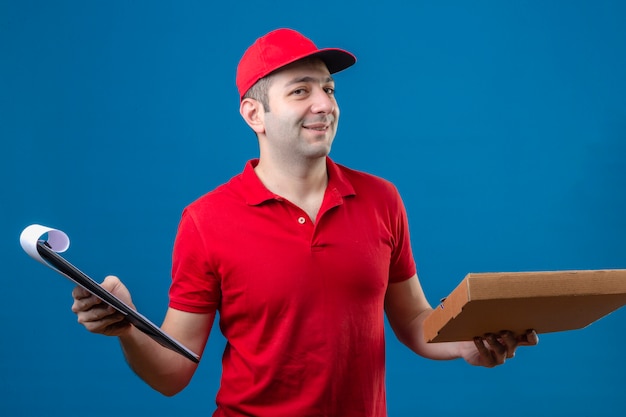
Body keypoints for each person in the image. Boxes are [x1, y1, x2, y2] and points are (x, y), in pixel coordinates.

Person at [71, 28, 538, 416]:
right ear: (254, 114)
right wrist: (128, 328)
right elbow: (173, 372)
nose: (324, 104)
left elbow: (415, 319)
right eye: (301, 91)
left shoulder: (382, 199)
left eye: (329, 89)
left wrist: (465, 346)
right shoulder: (205, 220)